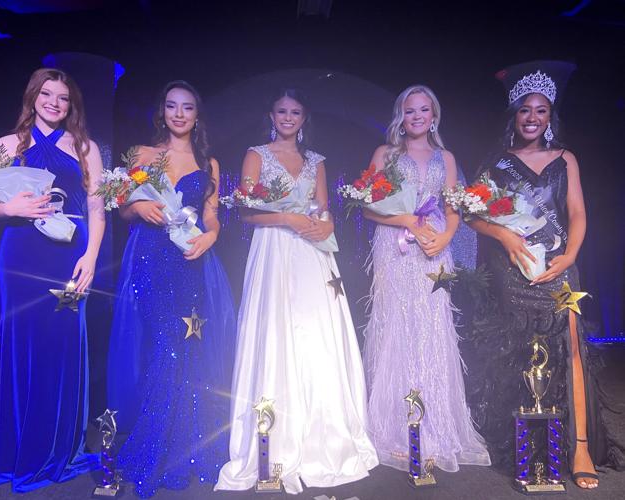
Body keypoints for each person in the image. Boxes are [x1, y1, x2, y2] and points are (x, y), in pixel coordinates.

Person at [465, 60, 625, 489]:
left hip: (558, 267)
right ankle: (527, 442)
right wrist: (504, 235)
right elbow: (470, 214)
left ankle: (580, 446)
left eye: (541, 110)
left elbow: (576, 213)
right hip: (513, 269)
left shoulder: (565, 158)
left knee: (569, 349)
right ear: (513, 115)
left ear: (551, 116)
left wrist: (570, 255)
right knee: (521, 354)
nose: (532, 118)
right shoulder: (498, 162)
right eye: (524, 110)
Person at [215, 88, 377, 494]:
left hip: (311, 251)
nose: (288, 118)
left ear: (305, 118)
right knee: (277, 330)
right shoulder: (256, 153)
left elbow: (322, 208)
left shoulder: (316, 161)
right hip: (273, 249)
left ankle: (323, 432)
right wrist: (285, 217)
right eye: (282, 111)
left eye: (296, 112)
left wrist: (328, 224)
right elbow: (247, 212)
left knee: (316, 332)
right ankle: (275, 431)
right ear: (272, 115)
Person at [0, 68, 105, 492]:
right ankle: (15, 451)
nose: (54, 103)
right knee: (22, 345)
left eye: (63, 98)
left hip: (70, 256)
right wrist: (11, 208)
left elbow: (98, 211)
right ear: (33, 97)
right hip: (20, 253)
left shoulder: (85, 147)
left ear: (72, 106)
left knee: (63, 347)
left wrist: (91, 258)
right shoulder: (7, 145)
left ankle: (56, 447)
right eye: (46, 94)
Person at [107, 80, 235, 498]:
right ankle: (153, 448)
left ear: (197, 115)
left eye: (188, 107)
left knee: (188, 348)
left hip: (190, 262)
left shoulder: (208, 163)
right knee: (164, 345)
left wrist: (211, 238)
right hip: (150, 259)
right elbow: (124, 209)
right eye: (171, 106)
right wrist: (139, 206)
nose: (179, 113)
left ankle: (186, 447)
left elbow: (212, 220)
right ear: (162, 111)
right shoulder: (142, 155)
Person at [361, 85, 490, 473]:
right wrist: (404, 221)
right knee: (396, 326)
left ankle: (435, 427)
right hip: (396, 247)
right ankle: (394, 429)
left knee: (431, 328)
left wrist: (447, 237)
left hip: (434, 246)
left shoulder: (445, 158)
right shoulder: (385, 155)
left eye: (423, 110)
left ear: (433, 116)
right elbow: (367, 208)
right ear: (401, 116)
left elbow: (453, 207)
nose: (416, 116)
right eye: (409, 110)